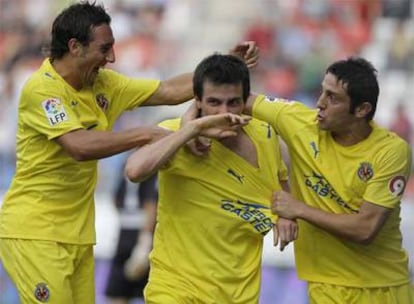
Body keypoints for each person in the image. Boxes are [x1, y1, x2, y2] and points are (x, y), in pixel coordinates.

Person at [0, 2, 259, 303]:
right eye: (104, 48)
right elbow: (79, 146)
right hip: (35, 231)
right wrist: (147, 134)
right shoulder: (42, 91)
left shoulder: (105, 84)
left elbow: (168, 91)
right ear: (75, 47)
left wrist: (225, 64)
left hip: (78, 234)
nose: (111, 58)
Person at [124, 54, 297, 303]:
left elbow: (280, 182)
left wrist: (285, 214)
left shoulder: (265, 135)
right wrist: (191, 130)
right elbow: (134, 170)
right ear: (198, 101)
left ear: (245, 101)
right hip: (176, 288)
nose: (224, 113)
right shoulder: (178, 134)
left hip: (239, 292)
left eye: (233, 103)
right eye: (214, 102)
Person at [244, 57, 414, 303]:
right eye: (323, 92)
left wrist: (298, 209)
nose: (320, 103)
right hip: (324, 286)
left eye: (333, 98)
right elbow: (232, 96)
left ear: (362, 109)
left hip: (382, 287)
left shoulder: (390, 151)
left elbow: (365, 229)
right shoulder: (300, 121)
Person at [105, 167, 158, 304]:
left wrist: (145, 241)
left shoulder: (150, 160)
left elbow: (151, 203)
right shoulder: (128, 161)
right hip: (127, 233)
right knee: (117, 292)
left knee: (146, 292)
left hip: (140, 233)